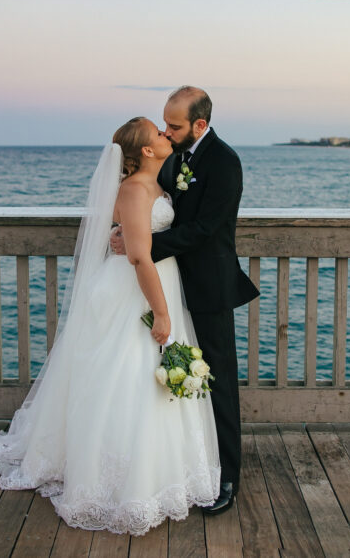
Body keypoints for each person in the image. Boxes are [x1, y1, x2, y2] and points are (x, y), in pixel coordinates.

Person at [0, 117, 220, 536]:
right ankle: (116, 479)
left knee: (144, 378)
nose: (165, 134)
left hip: (157, 284)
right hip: (135, 292)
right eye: (158, 132)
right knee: (127, 377)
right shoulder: (135, 190)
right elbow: (138, 257)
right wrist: (162, 312)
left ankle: (158, 469)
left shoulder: (160, 183)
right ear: (147, 151)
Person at [111, 86, 259, 515]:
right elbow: (139, 193)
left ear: (199, 123)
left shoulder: (225, 161)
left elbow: (207, 229)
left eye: (173, 126)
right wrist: (124, 231)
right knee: (162, 380)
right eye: (164, 124)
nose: (167, 131)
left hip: (209, 285)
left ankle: (227, 476)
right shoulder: (172, 155)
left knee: (218, 382)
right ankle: (186, 467)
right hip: (169, 284)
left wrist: (145, 245)